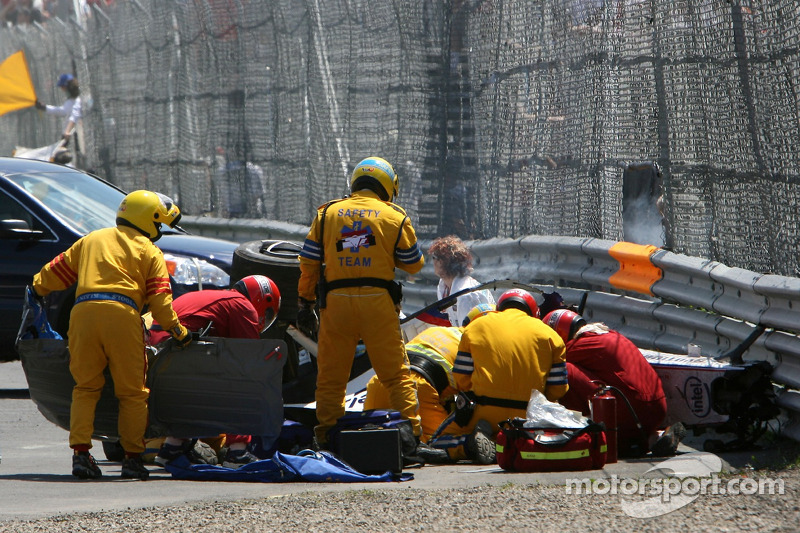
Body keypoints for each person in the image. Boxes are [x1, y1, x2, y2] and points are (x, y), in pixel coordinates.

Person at [31, 190, 192, 480]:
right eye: (160, 225)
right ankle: (132, 459)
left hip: (82, 315)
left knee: (85, 387)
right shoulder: (149, 251)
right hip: (122, 315)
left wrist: (36, 291)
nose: (159, 232)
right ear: (150, 219)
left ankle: (81, 455)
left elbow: (49, 276)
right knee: (132, 394)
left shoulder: (91, 240)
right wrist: (179, 333)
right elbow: (160, 302)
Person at [296, 155, 434, 460]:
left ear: (356, 181)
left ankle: (326, 438)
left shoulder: (327, 213)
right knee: (396, 374)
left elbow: (308, 262)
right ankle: (411, 438)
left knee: (331, 377)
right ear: (387, 186)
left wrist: (305, 302)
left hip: (336, 303)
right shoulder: (394, 216)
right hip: (378, 304)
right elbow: (413, 264)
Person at [148, 274, 282, 468]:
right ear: (263, 299)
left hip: (160, 354)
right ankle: (237, 452)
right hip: (177, 352)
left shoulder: (217, 297)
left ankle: (173, 447)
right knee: (246, 381)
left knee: (201, 379)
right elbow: (249, 359)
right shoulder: (241, 304)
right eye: (267, 313)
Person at [542, 308, 682, 457]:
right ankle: (651, 437)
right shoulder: (610, 335)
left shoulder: (575, 347)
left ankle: (590, 434)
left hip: (633, 410)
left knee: (564, 370)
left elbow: (547, 363)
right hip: (657, 407)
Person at [452, 289, 569, 464]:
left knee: (434, 439)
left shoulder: (475, 327)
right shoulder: (551, 335)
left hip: (483, 414)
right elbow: (558, 389)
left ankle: (469, 444)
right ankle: (511, 441)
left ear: (500, 307)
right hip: (530, 419)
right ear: (533, 312)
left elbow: (461, 378)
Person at [427, 235, 495, 328]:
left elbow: (469, 332)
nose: (433, 261)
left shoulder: (466, 296)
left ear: (443, 262)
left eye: (434, 257)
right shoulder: (443, 286)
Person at [34, 73, 82, 157]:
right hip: (65, 137)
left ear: (69, 87)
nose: (62, 90)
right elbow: (62, 111)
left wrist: (67, 131)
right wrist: (44, 107)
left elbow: (74, 117)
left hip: (70, 137)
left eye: (63, 87)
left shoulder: (77, 101)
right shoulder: (70, 101)